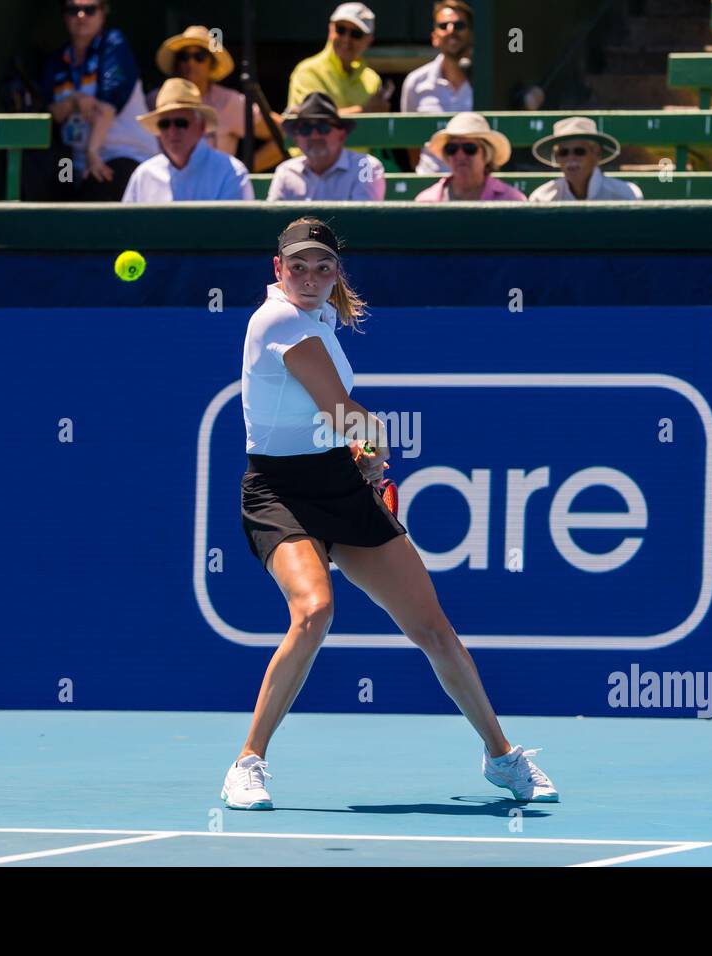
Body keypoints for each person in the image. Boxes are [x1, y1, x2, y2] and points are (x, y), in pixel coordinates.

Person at [222, 217, 558, 810]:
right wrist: (374, 442)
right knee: (315, 610)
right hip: (278, 492)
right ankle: (248, 763)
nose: (309, 276)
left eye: (322, 267)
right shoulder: (276, 319)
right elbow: (339, 407)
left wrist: (361, 458)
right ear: (278, 270)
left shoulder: (322, 320)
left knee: (432, 628)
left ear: (335, 274)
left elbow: (331, 420)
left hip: (336, 483)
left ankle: (502, 758)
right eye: (296, 266)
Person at [35, 0, 154, 201]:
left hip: (124, 156)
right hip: (75, 163)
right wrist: (74, 101)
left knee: (97, 189)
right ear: (64, 16)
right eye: (73, 10)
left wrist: (93, 151)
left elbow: (109, 104)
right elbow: (50, 113)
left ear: (103, 13)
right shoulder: (58, 60)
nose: (81, 16)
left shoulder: (114, 44)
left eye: (89, 10)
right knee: (46, 190)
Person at [145, 24, 286, 170]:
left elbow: (282, 135)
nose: (190, 63)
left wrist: (240, 171)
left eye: (199, 56)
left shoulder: (230, 101)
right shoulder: (154, 100)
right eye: (184, 56)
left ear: (211, 64)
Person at [121, 79, 254, 202]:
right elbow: (127, 225)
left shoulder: (229, 172)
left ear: (201, 126)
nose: (172, 131)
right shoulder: (144, 175)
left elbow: (236, 227)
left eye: (181, 123)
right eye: (164, 124)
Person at [266, 92, 385, 201]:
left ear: (341, 135)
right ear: (296, 139)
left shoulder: (366, 166)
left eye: (323, 127)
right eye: (305, 129)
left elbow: (364, 220)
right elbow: (273, 220)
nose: (314, 135)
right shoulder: (286, 171)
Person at [401, 1, 475, 175]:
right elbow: (412, 144)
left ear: (471, 34)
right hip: (430, 188)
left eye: (459, 25)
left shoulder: (486, 80)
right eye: (443, 26)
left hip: (476, 187)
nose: (451, 30)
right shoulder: (415, 82)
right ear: (434, 36)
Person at [286, 3, 394, 116]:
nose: (346, 39)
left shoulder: (373, 79)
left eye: (356, 34)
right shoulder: (308, 71)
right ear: (330, 29)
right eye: (340, 29)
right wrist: (364, 111)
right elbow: (312, 121)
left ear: (369, 40)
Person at [414, 112, 527, 202]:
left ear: (486, 154)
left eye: (469, 148)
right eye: (452, 149)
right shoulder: (426, 201)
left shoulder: (512, 200)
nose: (460, 155)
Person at [528, 117, 643, 201]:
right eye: (563, 152)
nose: (571, 158)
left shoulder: (626, 196)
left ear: (596, 153)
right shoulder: (541, 199)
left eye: (579, 151)